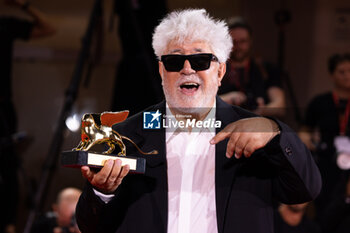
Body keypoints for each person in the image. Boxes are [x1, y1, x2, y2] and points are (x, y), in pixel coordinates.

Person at [76, 9, 321, 233]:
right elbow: (91, 226)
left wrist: (276, 134)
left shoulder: (256, 132)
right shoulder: (126, 135)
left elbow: (305, 189)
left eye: (200, 60)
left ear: (220, 71)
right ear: (161, 71)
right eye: (174, 61)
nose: (186, 69)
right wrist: (102, 192)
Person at [0, 1, 56, 232]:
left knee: (8, 164)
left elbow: (49, 28)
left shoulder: (4, 26)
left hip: (2, 106)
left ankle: (9, 223)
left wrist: (24, 5)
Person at [300, 53, 350, 218]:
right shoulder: (320, 102)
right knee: (325, 214)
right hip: (327, 163)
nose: (347, 76)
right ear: (332, 74)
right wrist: (306, 139)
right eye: (341, 72)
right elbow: (305, 129)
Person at [218, 17, 286, 118]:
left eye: (243, 41)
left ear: (250, 42)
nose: (238, 46)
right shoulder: (215, 69)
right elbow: (201, 104)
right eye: (234, 42)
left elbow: (280, 105)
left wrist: (261, 111)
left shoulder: (265, 69)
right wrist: (226, 99)